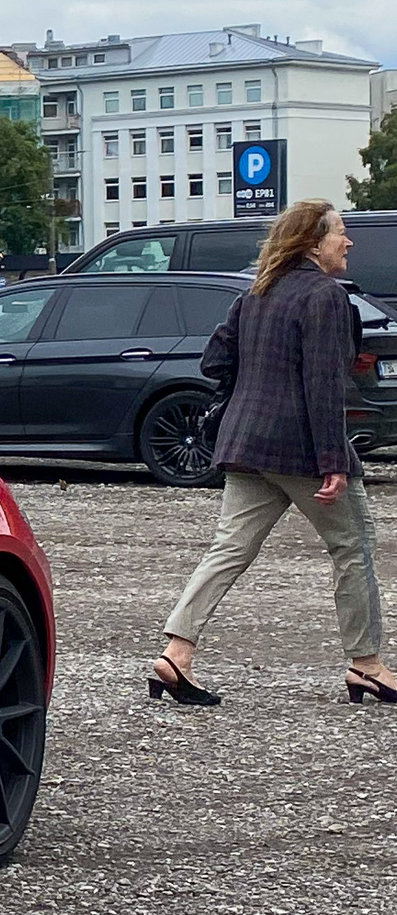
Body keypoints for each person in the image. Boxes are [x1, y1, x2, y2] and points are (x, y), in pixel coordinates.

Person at [153, 200, 395, 706]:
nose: (348, 243)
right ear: (313, 242)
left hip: (246, 444)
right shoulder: (324, 296)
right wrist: (333, 461)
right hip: (302, 450)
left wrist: (255, 391)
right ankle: (367, 664)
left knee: (229, 549)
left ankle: (176, 653)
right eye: (340, 234)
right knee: (353, 548)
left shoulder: (256, 292)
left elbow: (214, 360)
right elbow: (324, 386)